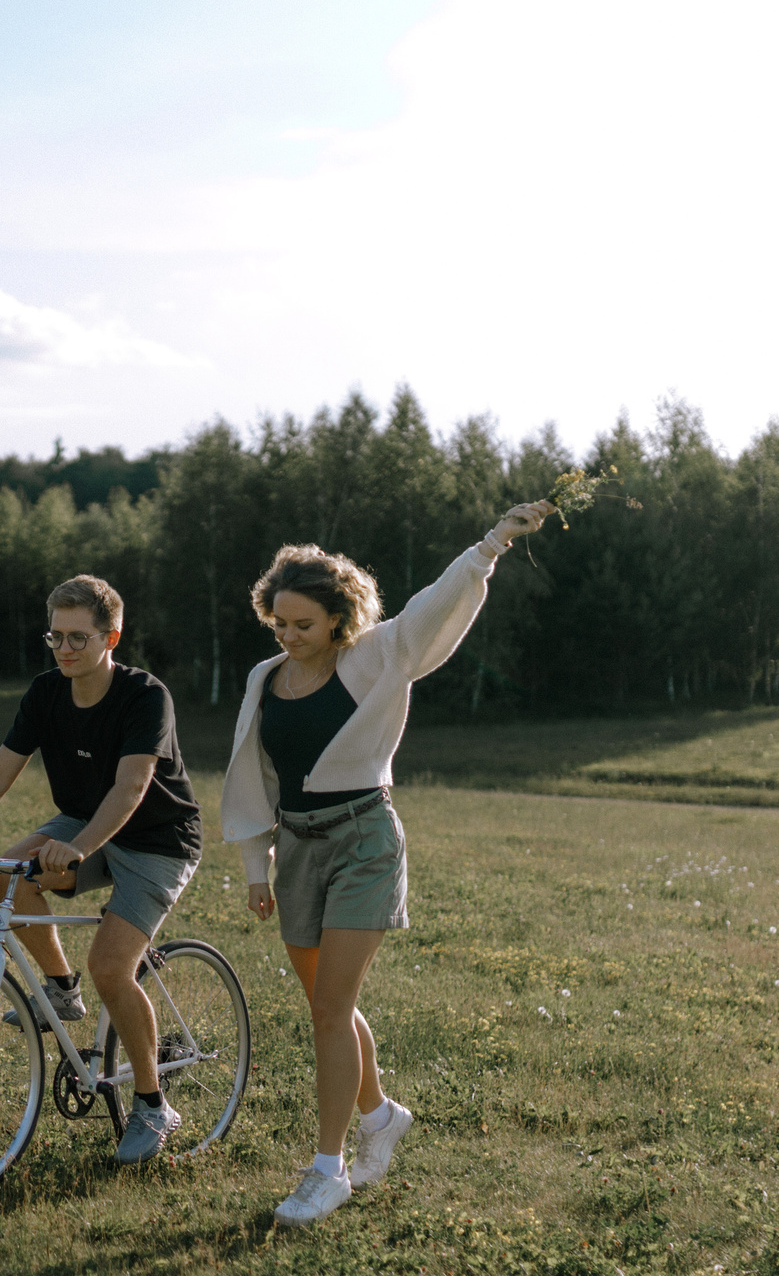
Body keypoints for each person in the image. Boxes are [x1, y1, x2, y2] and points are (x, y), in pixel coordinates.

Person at [226, 503, 554, 1227]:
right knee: (326, 1003)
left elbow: (431, 610)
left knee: (328, 1010)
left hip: (364, 841)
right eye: (278, 621)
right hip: (298, 850)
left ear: (339, 622)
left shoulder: (375, 656)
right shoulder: (264, 677)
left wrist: (491, 545)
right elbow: (252, 774)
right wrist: (257, 864)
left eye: (303, 624)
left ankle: (327, 1168)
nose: (288, 635)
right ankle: (382, 1115)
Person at [0, 574, 206, 1163]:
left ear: (111, 637)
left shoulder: (146, 695)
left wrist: (78, 849)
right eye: (57, 636)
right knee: (9, 872)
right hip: (82, 823)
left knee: (111, 964)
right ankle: (62, 989)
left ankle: (153, 1106)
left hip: (158, 841)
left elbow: (132, 786)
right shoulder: (47, 692)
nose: (66, 649)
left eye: (80, 637)